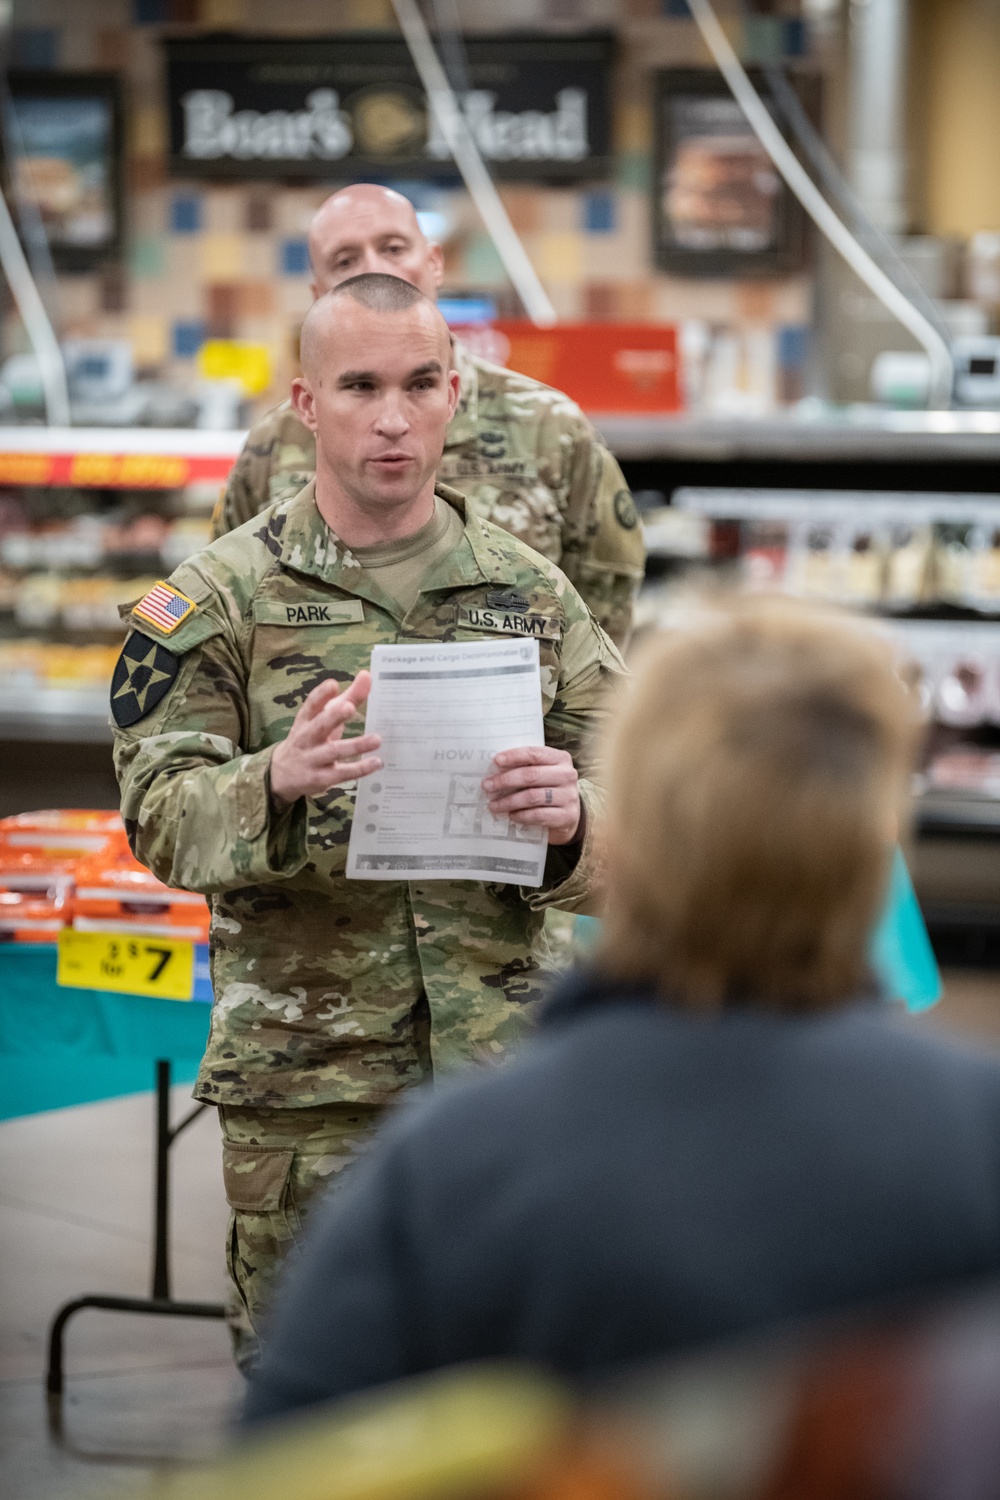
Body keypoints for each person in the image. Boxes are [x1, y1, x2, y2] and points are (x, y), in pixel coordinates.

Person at [243, 593, 1000, 1423]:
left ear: (632, 829)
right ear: (881, 834)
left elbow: (288, 1453)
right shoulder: (975, 1135)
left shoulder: (451, 1167)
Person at [111, 273, 622, 1358]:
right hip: (310, 1091)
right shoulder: (216, 602)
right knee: (314, 1406)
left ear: (453, 396)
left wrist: (576, 820)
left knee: (503, 1400)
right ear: (305, 405)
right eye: (358, 386)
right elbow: (157, 814)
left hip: (503, 1078)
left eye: (417, 384)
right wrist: (272, 782)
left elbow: (647, 812)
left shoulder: (530, 594)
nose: (391, 417)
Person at [213, 184, 645, 649]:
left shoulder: (551, 427)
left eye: (393, 248)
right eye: (345, 260)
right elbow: (229, 601)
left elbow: (605, 608)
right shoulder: (276, 441)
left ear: (434, 263)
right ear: (318, 292)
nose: (375, 269)